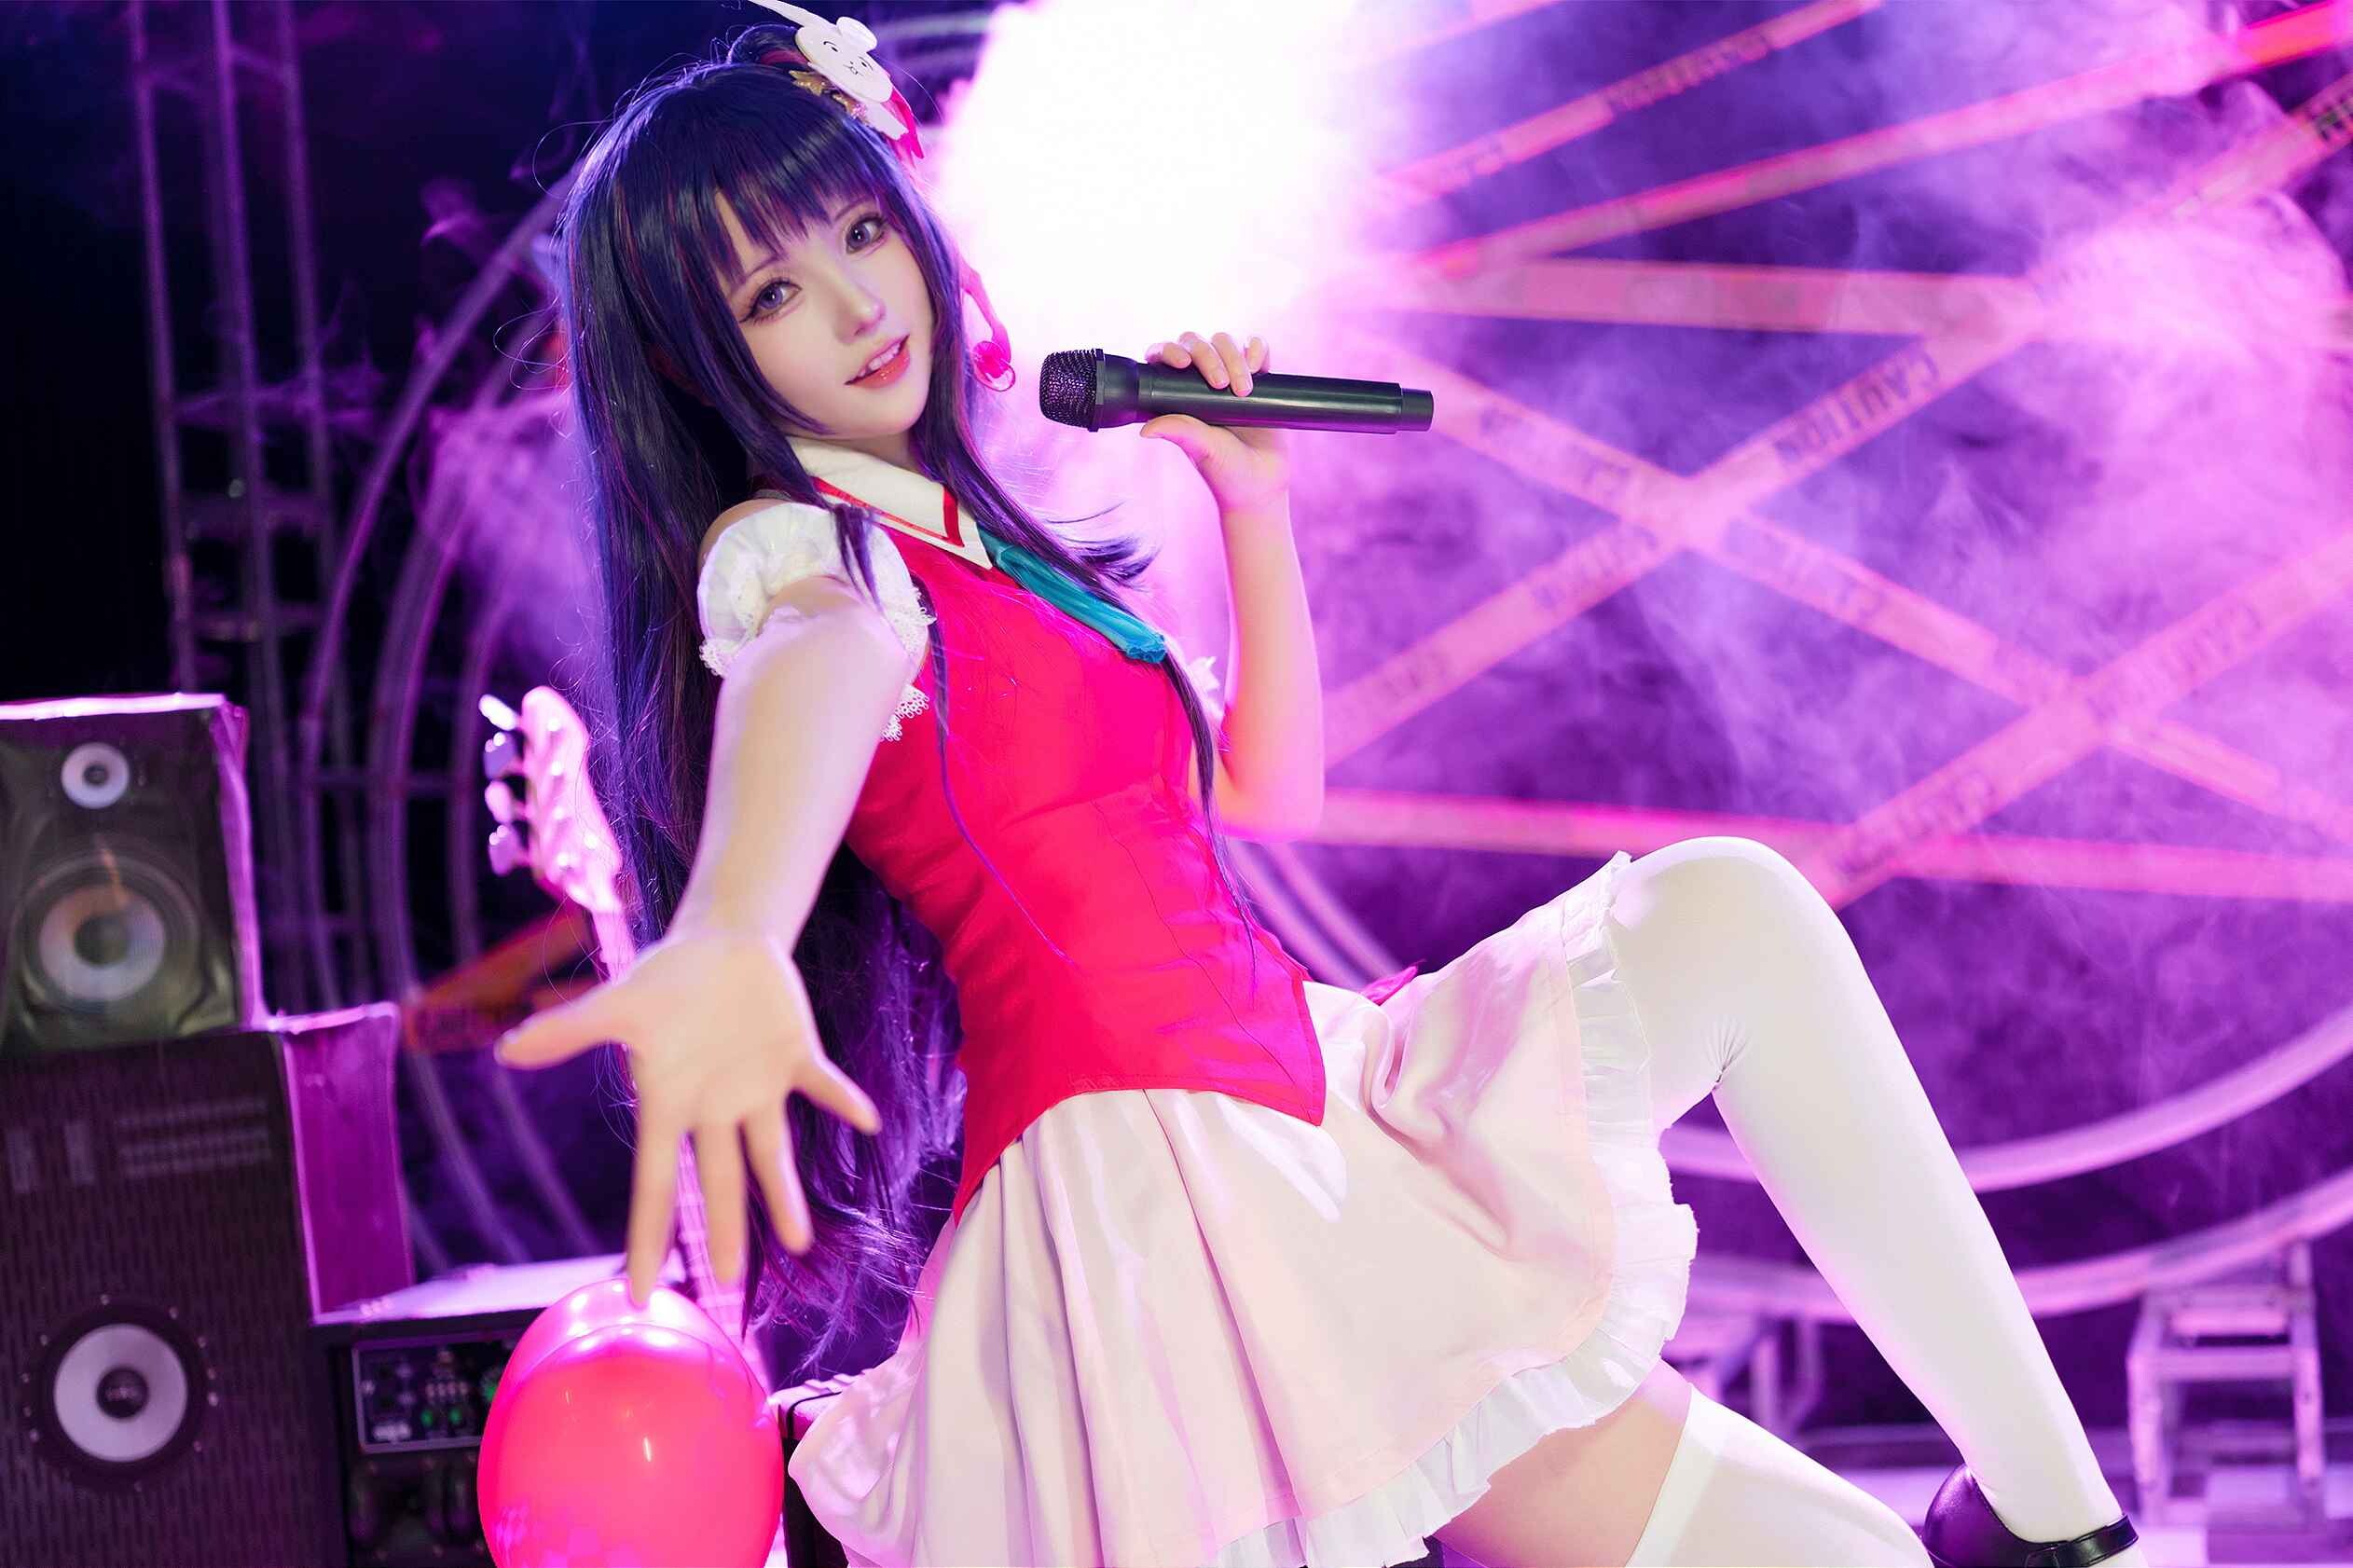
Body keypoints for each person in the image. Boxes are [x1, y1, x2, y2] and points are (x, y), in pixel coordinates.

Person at [494, 8, 2148, 1565]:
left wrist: (1252, 510)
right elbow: (816, 662)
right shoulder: (807, 553)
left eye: (861, 230)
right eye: (772, 294)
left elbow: (1270, 793)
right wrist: (733, 925)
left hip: (1302, 1091)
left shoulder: (980, 542)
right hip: (1179, 1197)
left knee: (1736, 915)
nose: (859, 304)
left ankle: (2055, 1521)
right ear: (698, 364)